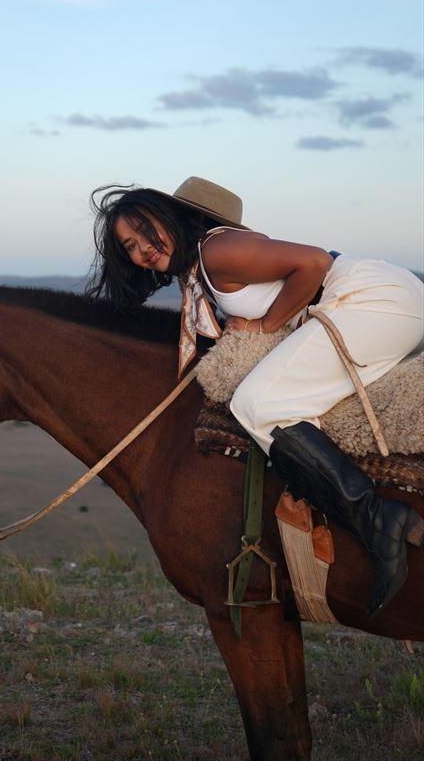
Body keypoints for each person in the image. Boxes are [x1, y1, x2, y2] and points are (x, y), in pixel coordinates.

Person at [87, 176, 424, 617]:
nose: (142, 249)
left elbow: (315, 263)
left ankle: (379, 519)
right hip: (371, 302)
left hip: (371, 301)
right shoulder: (200, 270)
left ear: (172, 217)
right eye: (129, 246)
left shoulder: (216, 251)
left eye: (145, 230)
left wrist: (265, 326)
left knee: (256, 404)